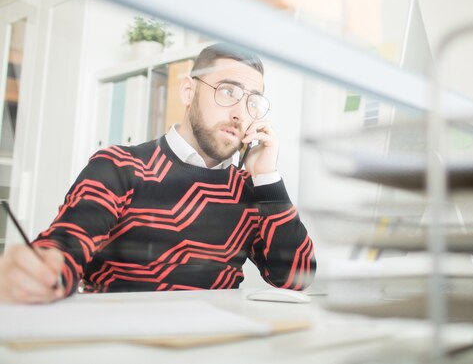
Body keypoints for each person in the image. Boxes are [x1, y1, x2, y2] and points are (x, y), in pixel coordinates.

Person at [0, 43, 316, 303]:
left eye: (253, 102)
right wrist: (42, 270)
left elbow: (295, 277)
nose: (239, 113)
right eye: (228, 92)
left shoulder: (251, 191)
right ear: (188, 92)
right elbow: (66, 247)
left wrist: (267, 178)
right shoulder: (118, 166)